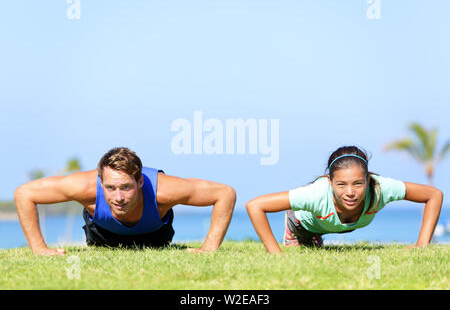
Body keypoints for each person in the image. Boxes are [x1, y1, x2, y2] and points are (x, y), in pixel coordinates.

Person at [14, 147, 236, 256]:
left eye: (126, 187)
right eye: (110, 188)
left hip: (154, 238)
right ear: (101, 182)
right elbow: (25, 194)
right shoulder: (83, 187)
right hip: (102, 235)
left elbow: (224, 193)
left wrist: (209, 248)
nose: (118, 197)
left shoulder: (164, 191)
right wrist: (39, 248)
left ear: (140, 181)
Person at [246, 146, 444, 254]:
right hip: (301, 224)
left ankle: (315, 237)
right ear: (330, 182)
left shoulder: (381, 189)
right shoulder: (315, 194)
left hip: (328, 224)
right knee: (305, 249)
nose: (350, 192)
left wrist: (422, 244)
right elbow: (255, 206)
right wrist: (275, 254)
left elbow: (433, 195)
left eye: (358, 183)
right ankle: (299, 235)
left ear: (368, 180)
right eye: (341, 185)